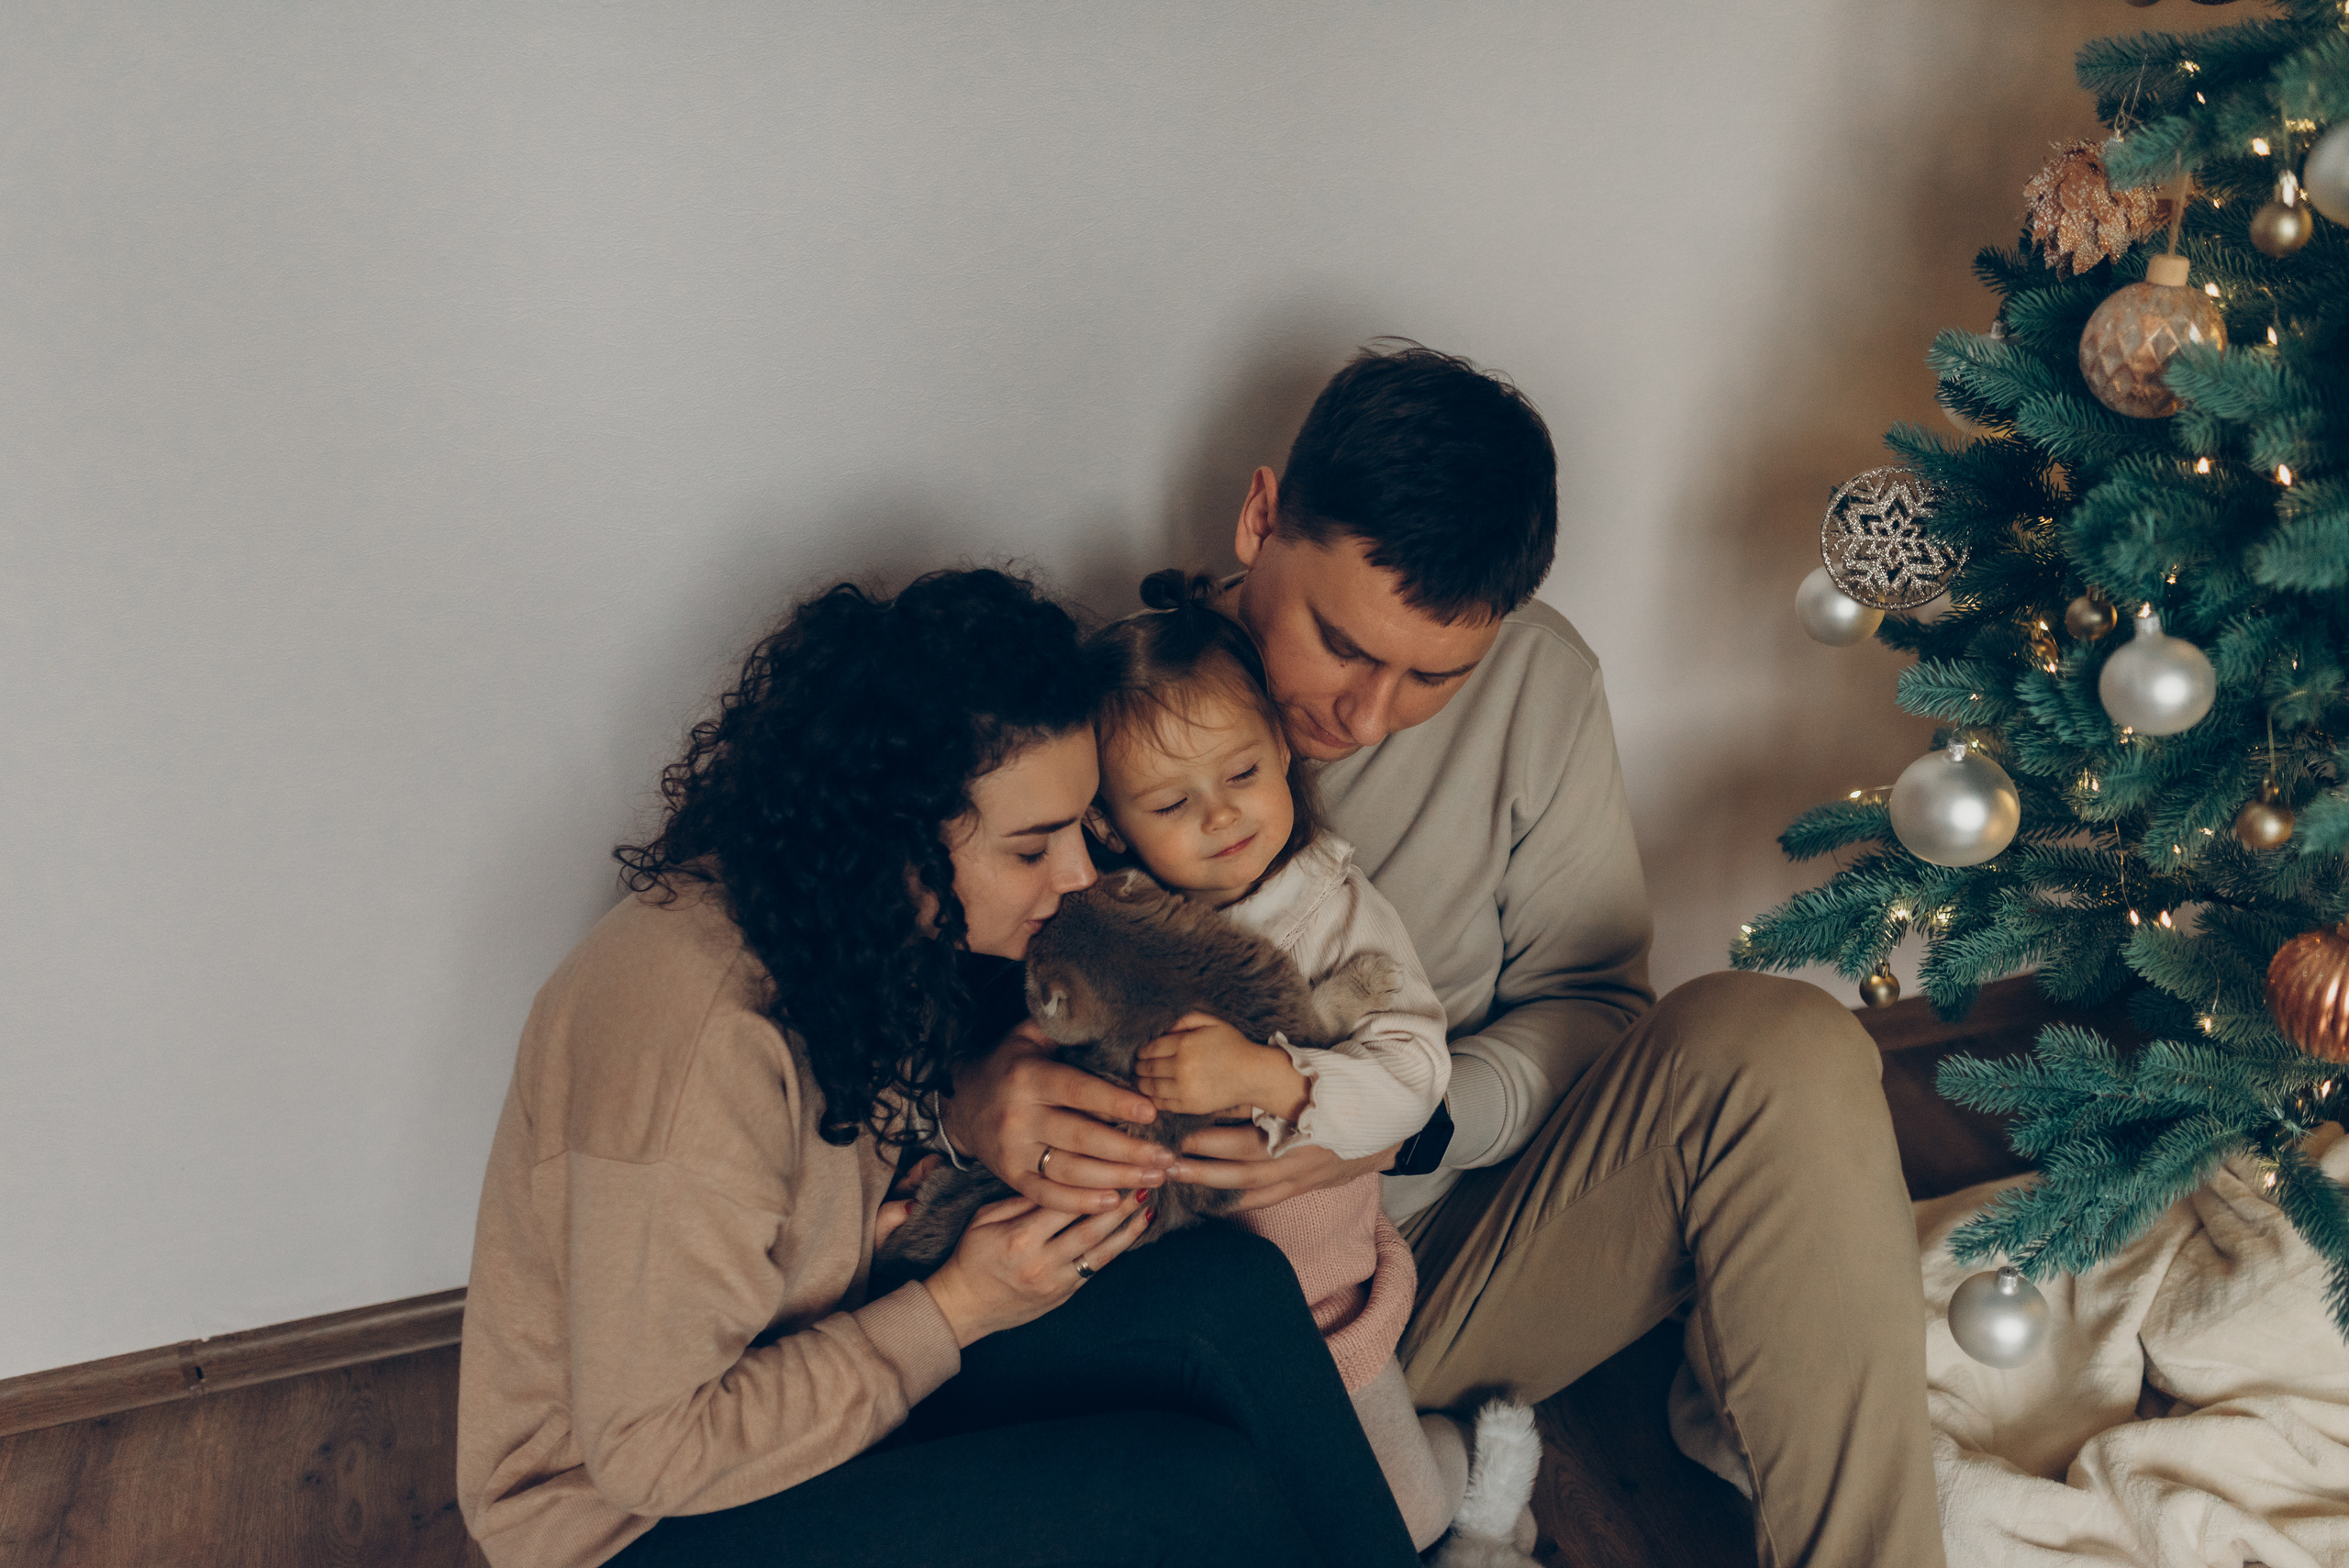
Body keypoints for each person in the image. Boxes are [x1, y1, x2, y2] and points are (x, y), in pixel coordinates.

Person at [939, 347, 1947, 1568]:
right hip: (1183, 1309)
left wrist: (1396, 1124)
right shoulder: (1120, 711)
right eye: (1342, 644)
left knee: (1788, 1040)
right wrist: (971, 1102)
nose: (1364, 716)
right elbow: (966, 974)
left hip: (1439, 1256)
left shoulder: (1538, 685)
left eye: (1433, 678)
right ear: (1262, 520)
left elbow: (1590, 1009)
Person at [455, 568, 1420, 1568]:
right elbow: (650, 1452)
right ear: (899, 841)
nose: (1081, 876)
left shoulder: (864, 922)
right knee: (1189, 1487)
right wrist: (957, 1306)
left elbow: (840, 1161)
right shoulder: (689, 1038)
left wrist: (959, 1114)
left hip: (834, 1364)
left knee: (1230, 1287)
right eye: (1032, 846)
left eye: (1081, 827)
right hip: (637, 1519)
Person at [1080, 568, 1475, 1551]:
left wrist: (1275, 1080)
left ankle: (1468, 1463)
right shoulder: (1107, 930)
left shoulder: (1329, 909)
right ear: (1106, 823)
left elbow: (1416, 1071)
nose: (1222, 816)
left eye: (1245, 774)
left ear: (1282, 757)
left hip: (1320, 1299)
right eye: (1172, 802)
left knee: (1409, 1514)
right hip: (1167, 1309)